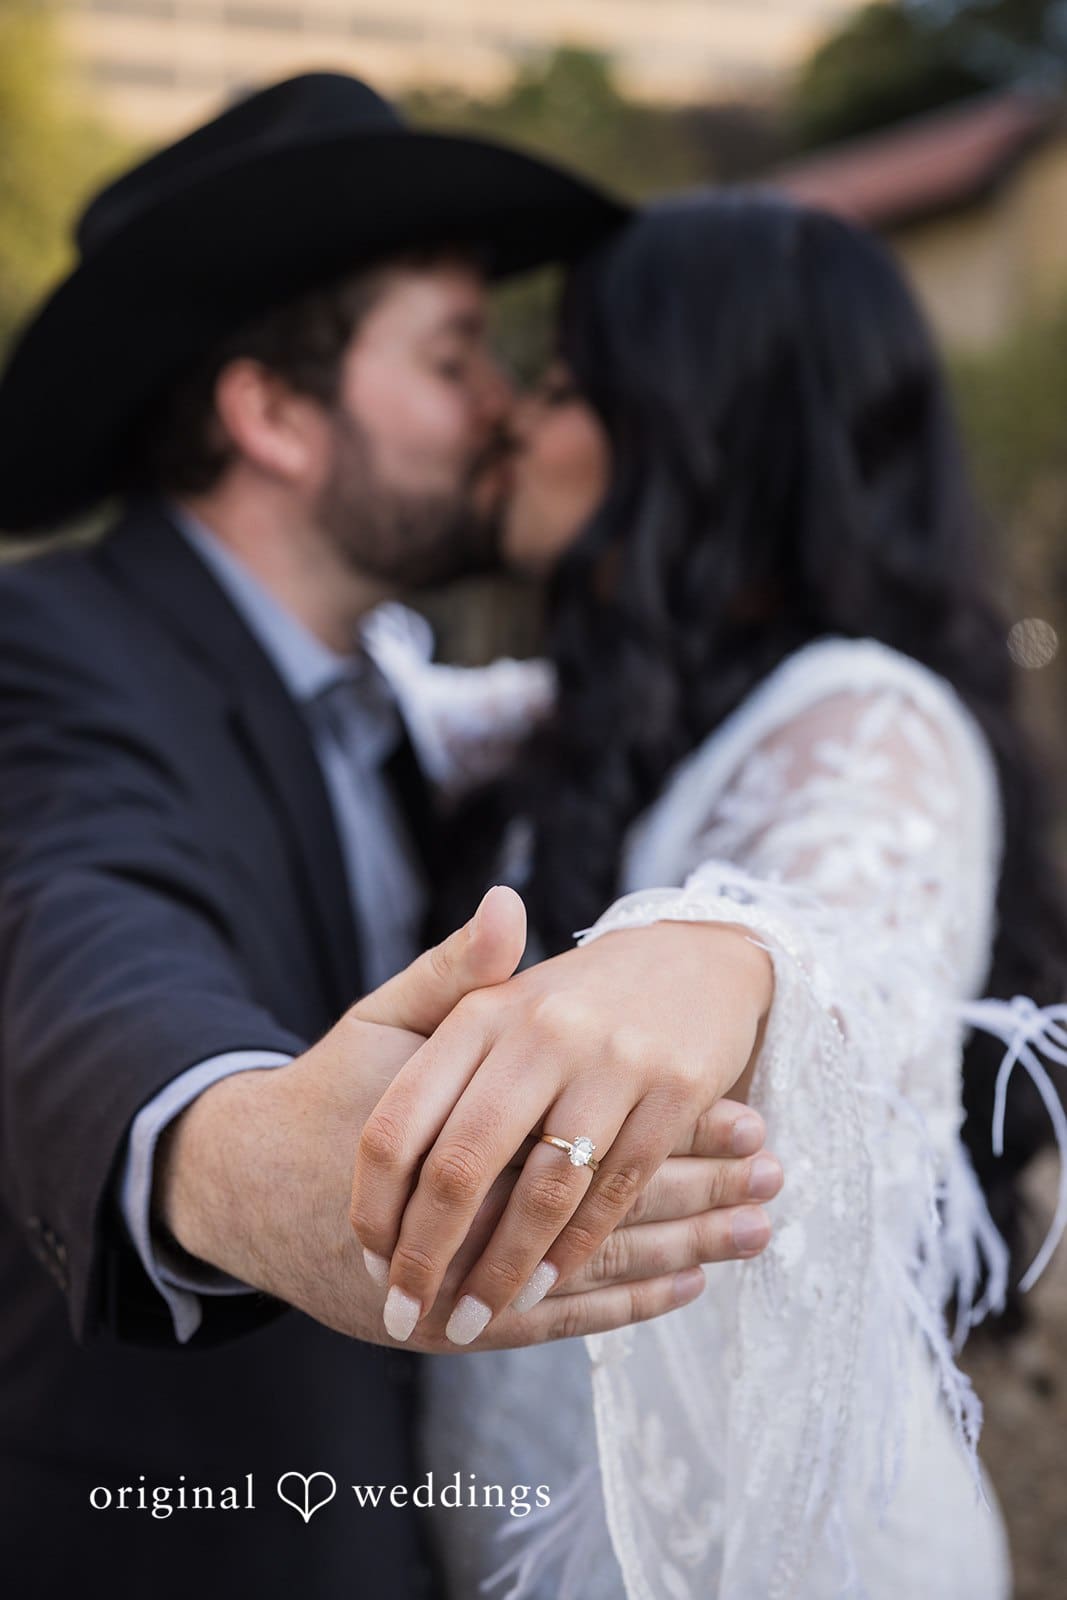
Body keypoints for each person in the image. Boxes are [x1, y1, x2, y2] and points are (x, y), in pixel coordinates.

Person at [0, 83, 782, 1600]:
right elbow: (79, 927)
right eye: (451, 357)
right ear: (275, 417)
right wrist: (238, 1155)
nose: (504, 405)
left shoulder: (399, 713)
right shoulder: (50, 647)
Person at [358, 191, 1067, 1598]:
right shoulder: (605, 718)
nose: (515, 423)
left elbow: (844, 932)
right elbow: (361, 699)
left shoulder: (870, 720)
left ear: (695, 436)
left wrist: (720, 961)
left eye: (566, 387)